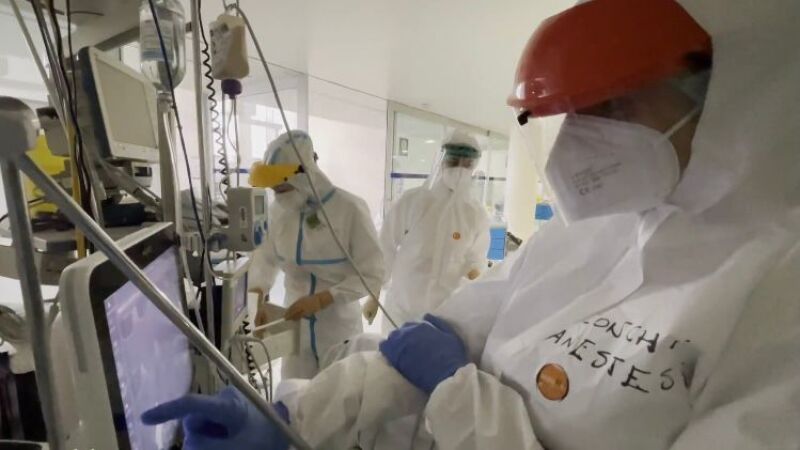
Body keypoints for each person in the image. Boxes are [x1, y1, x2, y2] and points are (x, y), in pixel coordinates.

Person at [142, 0, 800, 448]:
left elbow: (432, 343)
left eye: (616, 106)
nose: (580, 142)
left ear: (732, 95)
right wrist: (290, 414)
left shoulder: (777, 291)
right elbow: (421, 350)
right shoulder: (580, 237)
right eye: (576, 114)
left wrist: (461, 397)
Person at [247, 130, 384, 379]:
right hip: (294, 325)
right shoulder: (279, 212)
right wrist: (257, 298)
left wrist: (323, 299)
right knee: (293, 394)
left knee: (337, 395)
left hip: (338, 328)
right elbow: (264, 258)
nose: (278, 195)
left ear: (304, 175)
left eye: (283, 187)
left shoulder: (349, 209)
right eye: (275, 190)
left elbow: (372, 273)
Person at [363, 131, 490, 329]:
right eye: (453, 161)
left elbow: (475, 258)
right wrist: (374, 292)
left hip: (445, 314)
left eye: (467, 165)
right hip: (402, 308)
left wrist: (477, 276)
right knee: (394, 348)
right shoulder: (414, 201)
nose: (459, 169)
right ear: (441, 161)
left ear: (474, 167)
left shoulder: (475, 214)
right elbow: (386, 245)